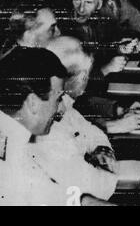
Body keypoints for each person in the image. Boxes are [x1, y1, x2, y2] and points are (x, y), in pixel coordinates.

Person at [0, 47, 112, 205]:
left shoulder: (13, 138)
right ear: (33, 103)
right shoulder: (7, 157)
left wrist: (85, 201)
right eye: (58, 99)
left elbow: (43, 191)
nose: (59, 109)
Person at [32, 36, 118, 202]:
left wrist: (102, 149)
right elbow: (96, 189)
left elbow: (94, 132)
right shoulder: (47, 126)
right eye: (86, 75)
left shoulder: (65, 106)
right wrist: (108, 167)